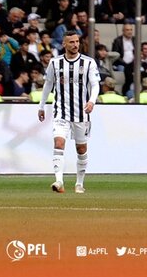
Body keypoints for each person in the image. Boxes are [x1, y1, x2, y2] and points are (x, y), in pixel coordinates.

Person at [37, 31, 100, 194]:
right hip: (61, 112)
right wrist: (41, 106)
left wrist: (92, 101)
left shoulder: (88, 62)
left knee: (81, 149)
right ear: (64, 44)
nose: (75, 45)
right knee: (58, 143)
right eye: (71, 42)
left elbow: (95, 85)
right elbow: (48, 84)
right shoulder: (55, 62)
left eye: (77, 41)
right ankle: (59, 181)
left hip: (82, 113)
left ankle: (79, 183)